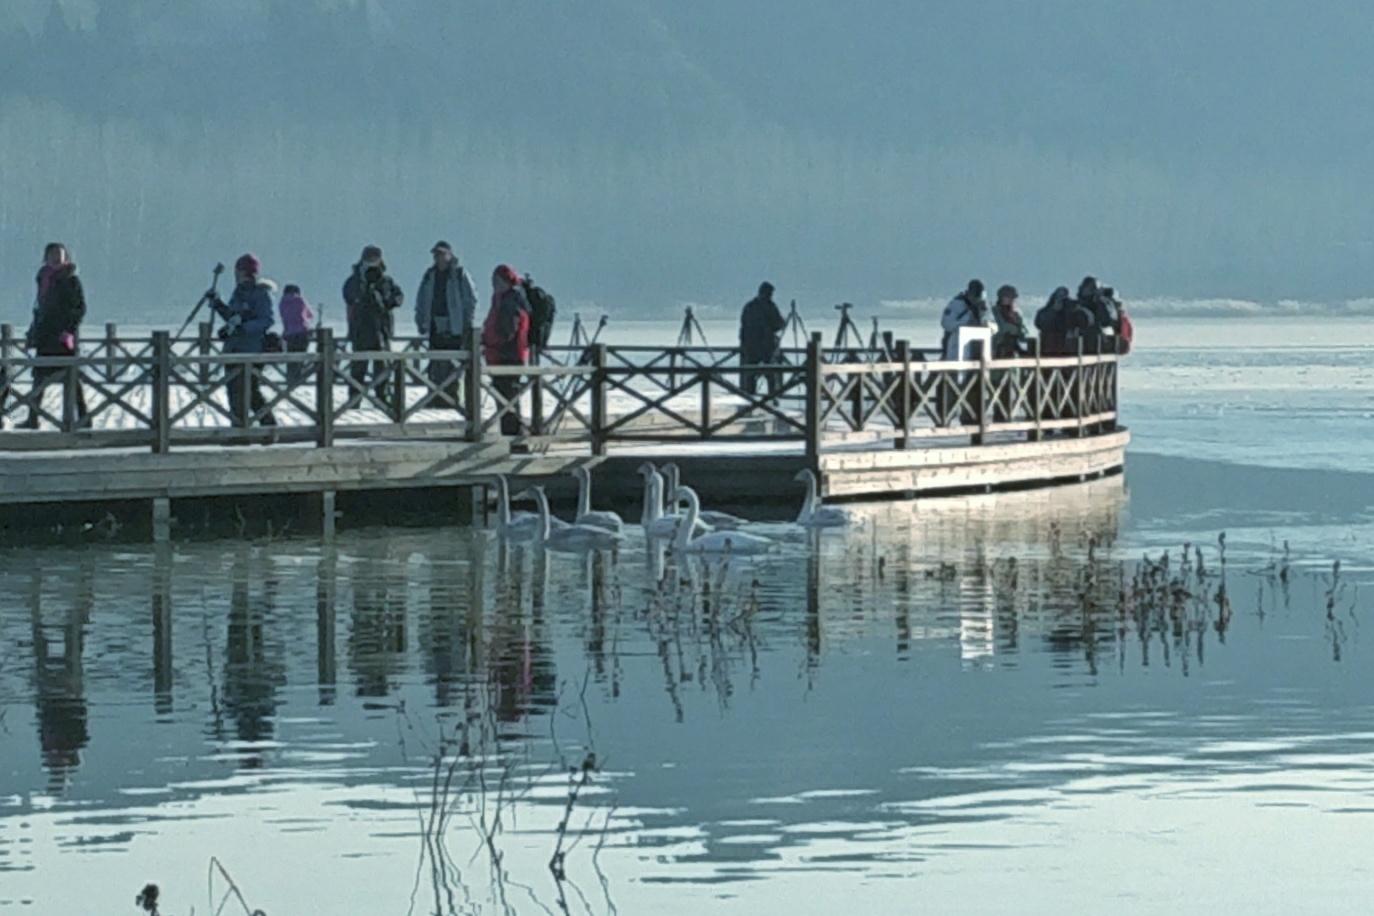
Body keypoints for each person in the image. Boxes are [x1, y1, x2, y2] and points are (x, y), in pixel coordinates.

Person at [22, 242, 89, 430]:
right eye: (52, 254)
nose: (56, 258)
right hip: (45, 337)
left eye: (59, 254)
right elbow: (40, 310)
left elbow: (80, 309)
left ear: (66, 257)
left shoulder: (71, 280)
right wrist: (31, 335)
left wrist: (69, 330)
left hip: (63, 339)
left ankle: (82, 418)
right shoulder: (44, 279)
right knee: (39, 378)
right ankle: (33, 417)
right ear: (46, 257)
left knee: (72, 379)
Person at [210, 253, 277, 428]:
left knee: (250, 391)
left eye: (239, 271)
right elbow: (233, 317)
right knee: (234, 390)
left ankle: (268, 425)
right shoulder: (238, 293)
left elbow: (266, 320)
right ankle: (240, 429)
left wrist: (244, 327)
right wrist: (218, 305)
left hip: (252, 349)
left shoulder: (260, 293)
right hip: (234, 348)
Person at [415, 240, 476, 409]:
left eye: (442, 254)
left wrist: (466, 324)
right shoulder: (429, 275)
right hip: (435, 327)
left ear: (450, 254)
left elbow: (470, 300)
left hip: (454, 329)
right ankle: (435, 398)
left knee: (453, 367)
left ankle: (452, 401)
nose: (438, 258)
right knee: (435, 366)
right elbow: (421, 301)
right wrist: (421, 321)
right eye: (436, 254)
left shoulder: (459, 274)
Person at [342, 245, 403, 402]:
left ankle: (383, 399)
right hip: (360, 330)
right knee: (358, 369)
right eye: (369, 258)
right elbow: (348, 296)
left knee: (382, 368)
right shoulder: (355, 280)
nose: (372, 261)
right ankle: (354, 400)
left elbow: (399, 297)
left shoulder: (386, 280)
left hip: (381, 330)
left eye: (375, 258)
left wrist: (386, 302)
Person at [481, 264, 531, 443]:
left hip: (508, 357)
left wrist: (488, 341)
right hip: (499, 356)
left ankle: (514, 437)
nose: (495, 284)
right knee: (505, 399)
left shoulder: (511, 301)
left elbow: (507, 332)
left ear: (506, 282)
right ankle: (511, 436)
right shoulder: (500, 299)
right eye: (493, 281)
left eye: (498, 281)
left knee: (508, 398)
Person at [738, 281, 786, 399]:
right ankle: (773, 399)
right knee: (771, 376)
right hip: (766, 348)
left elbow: (743, 325)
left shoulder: (749, 307)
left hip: (751, 348)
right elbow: (780, 324)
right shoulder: (769, 306)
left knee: (750, 377)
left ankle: (749, 401)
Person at [940, 279, 988, 360]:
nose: (976, 300)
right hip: (956, 344)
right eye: (974, 297)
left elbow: (992, 323)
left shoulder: (982, 306)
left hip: (978, 347)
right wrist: (965, 324)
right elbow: (946, 323)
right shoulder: (956, 304)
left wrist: (988, 325)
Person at [278, 284, 314, 386]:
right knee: (301, 357)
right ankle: (300, 378)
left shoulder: (282, 302)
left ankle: (291, 379)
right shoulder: (300, 300)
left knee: (291, 358)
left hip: (288, 334)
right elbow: (310, 314)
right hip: (302, 333)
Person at [990, 285, 1029, 359]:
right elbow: (1000, 327)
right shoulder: (995, 311)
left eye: (1013, 298)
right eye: (1009, 297)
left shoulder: (1016, 314)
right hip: (999, 347)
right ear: (1002, 297)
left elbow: (1023, 330)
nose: (1012, 300)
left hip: (1015, 349)